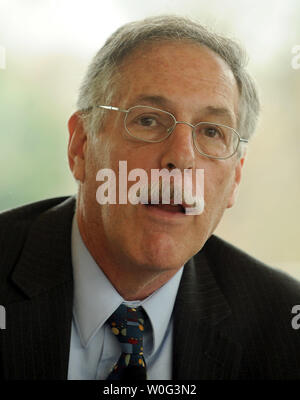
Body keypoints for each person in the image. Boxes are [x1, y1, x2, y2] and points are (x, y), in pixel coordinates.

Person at [0, 15, 300, 381]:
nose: (182, 157)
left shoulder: (284, 326)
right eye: (148, 120)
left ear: (235, 177)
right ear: (81, 146)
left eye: (210, 131)